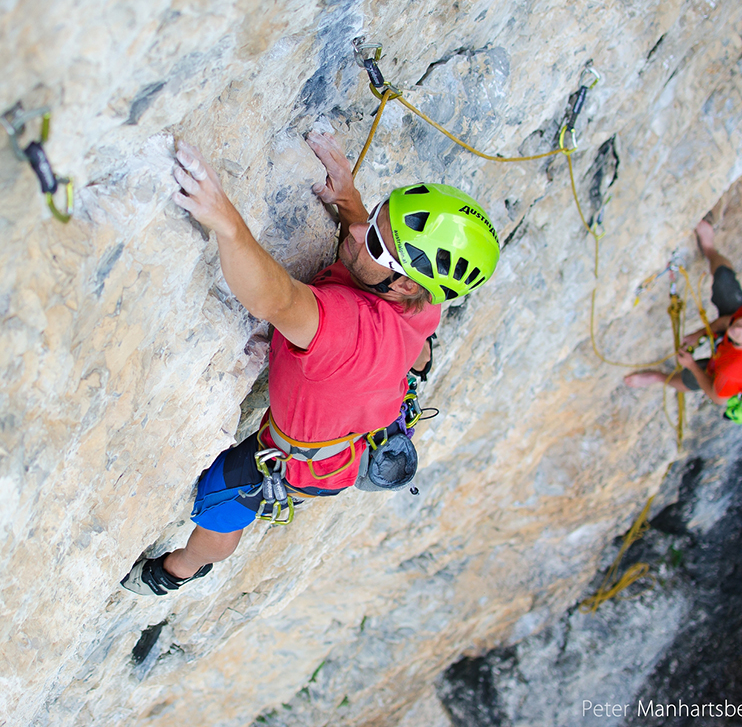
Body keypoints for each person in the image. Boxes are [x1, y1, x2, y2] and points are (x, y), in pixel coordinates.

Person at [121, 132, 500, 595]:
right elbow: (372, 243)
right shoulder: (424, 299)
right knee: (408, 341)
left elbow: (274, 299)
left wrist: (225, 220)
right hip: (372, 412)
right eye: (375, 220)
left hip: (311, 463)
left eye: (376, 243)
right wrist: (350, 199)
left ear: (402, 286)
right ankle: (412, 364)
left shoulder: (348, 331)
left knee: (224, 502)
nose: (360, 232)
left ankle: (178, 572)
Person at [624, 219, 742, 405]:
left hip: (730, 370)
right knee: (724, 280)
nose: (738, 327)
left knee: (691, 379)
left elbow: (717, 397)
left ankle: (658, 378)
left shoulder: (734, 371)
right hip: (732, 350)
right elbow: (727, 323)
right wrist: (699, 334)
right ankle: (709, 248)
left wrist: (692, 365)